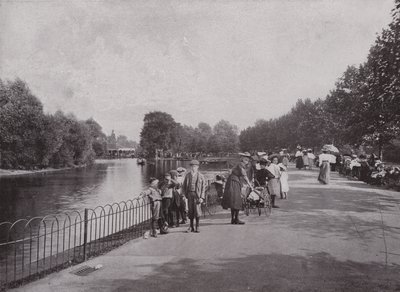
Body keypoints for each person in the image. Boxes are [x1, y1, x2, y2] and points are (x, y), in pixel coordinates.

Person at [222, 152, 253, 224]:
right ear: (242, 159)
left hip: (232, 181)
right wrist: (250, 185)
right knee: (237, 200)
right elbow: (244, 176)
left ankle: (234, 219)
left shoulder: (237, 165)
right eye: (246, 159)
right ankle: (236, 219)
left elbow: (231, 172)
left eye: (248, 160)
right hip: (234, 182)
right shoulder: (241, 165)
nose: (247, 161)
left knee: (233, 201)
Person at [181, 160, 207, 233]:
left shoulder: (201, 176)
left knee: (197, 211)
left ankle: (197, 226)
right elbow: (183, 187)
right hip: (189, 194)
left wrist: (202, 197)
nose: (193, 168)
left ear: (198, 167)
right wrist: (183, 195)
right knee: (190, 210)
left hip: (197, 195)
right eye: (192, 166)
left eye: (195, 166)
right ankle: (191, 226)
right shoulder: (188, 175)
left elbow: (203, 188)